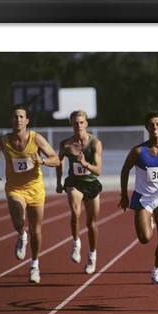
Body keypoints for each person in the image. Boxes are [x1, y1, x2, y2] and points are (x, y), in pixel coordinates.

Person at [0, 104, 60, 283]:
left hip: (35, 189)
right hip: (15, 189)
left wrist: (41, 160)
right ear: (11, 120)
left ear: (27, 120)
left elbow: (56, 160)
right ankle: (21, 234)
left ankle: (34, 264)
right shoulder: (4, 140)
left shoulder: (36, 139)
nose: (18, 119)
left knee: (36, 231)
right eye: (15, 116)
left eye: (21, 117)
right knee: (19, 220)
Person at [118, 110, 158, 285]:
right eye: (151, 124)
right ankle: (149, 221)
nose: (155, 127)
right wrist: (124, 194)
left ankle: (157, 270)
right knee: (145, 238)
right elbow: (125, 170)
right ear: (147, 128)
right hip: (143, 199)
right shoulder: (138, 151)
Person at [56, 110, 103, 274]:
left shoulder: (95, 143)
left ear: (86, 124)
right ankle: (76, 243)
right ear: (71, 124)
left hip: (91, 184)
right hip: (74, 183)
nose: (79, 126)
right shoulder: (66, 144)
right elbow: (59, 161)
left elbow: (98, 171)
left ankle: (92, 256)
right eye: (75, 123)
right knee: (75, 212)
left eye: (81, 122)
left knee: (92, 223)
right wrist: (58, 182)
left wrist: (85, 164)